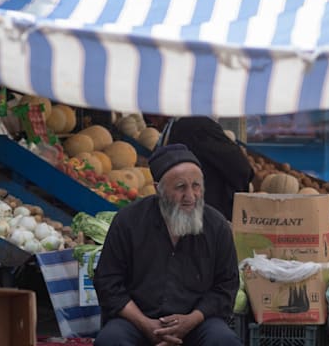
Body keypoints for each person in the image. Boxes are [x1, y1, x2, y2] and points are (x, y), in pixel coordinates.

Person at [93, 144, 241, 346]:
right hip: (137, 321)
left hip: (197, 322)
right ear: (158, 189)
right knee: (111, 340)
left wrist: (191, 320)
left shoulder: (217, 226)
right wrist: (146, 324)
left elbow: (226, 286)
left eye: (196, 185)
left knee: (223, 341)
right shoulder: (128, 221)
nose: (191, 196)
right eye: (180, 187)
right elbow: (108, 283)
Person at [162, 117, 254, 222]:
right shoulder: (197, 130)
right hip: (205, 216)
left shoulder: (191, 129)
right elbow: (242, 169)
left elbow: (241, 168)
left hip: (193, 216)